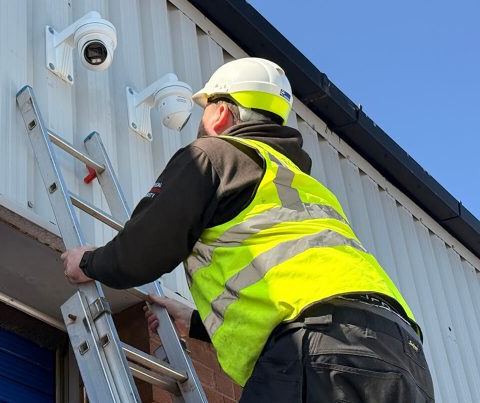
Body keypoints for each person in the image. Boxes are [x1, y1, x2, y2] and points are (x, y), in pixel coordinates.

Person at [61, 57, 434, 402]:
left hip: (318, 349)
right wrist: (195, 322)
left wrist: (88, 262)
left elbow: (143, 251)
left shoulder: (215, 154)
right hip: (405, 357)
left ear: (221, 113)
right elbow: (294, 286)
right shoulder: (304, 187)